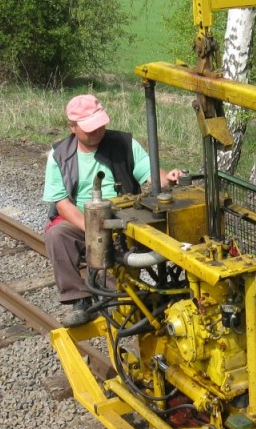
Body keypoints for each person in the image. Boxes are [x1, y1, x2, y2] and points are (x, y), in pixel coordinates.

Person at [43, 94, 181, 326]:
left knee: (121, 274)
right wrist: (91, 228)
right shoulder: (59, 155)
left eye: (100, 125)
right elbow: (61, 203)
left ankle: (126, 297)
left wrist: (168, 177)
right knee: (57, 234)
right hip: (82, 219)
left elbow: (151, 173)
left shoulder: (125, 144)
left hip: (124, 218)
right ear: (72, 127)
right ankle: (80, 299)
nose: (97, 131)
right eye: (89, 128)